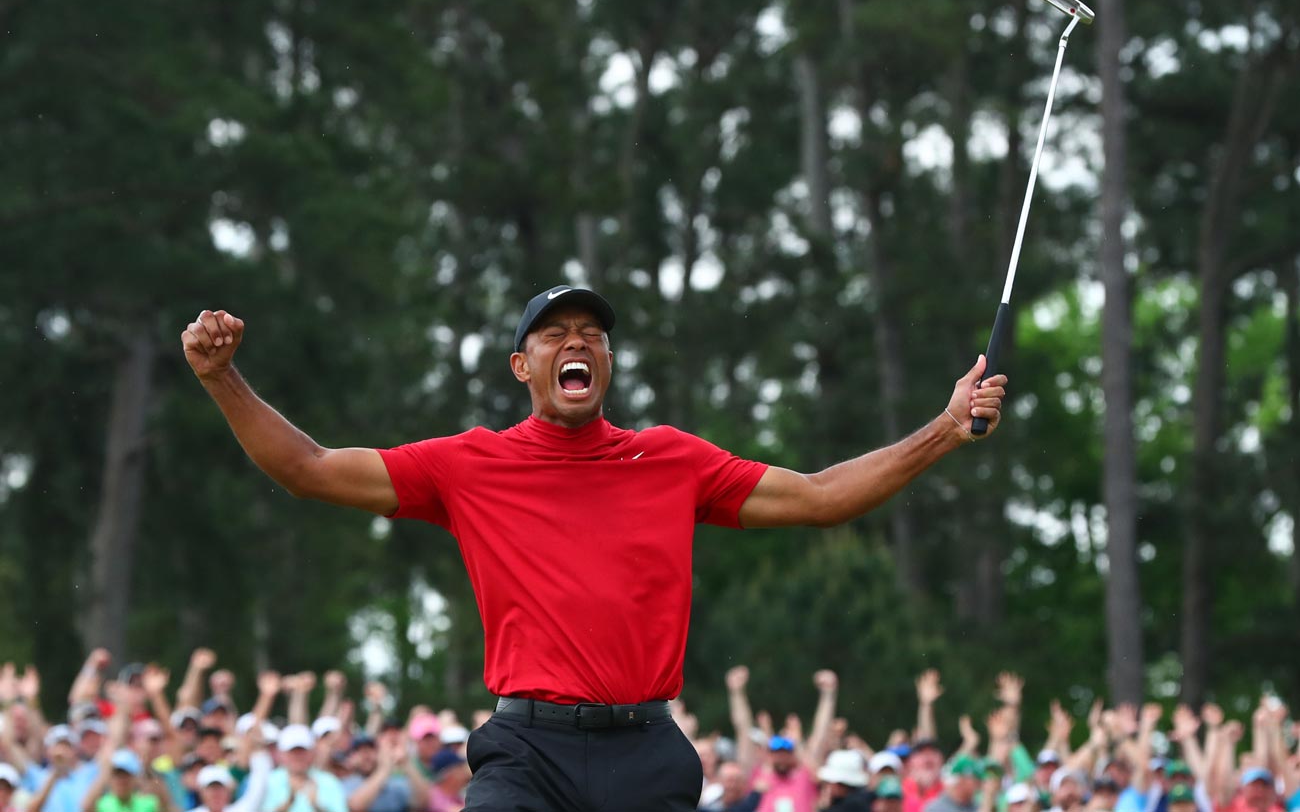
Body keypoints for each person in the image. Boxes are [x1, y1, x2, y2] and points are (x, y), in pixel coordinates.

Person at [180, 286, 1006, 812]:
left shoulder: (674, 460)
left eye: (591, 334)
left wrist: (943, 429)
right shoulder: (469, 465)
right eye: (554, 334)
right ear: (522, 365)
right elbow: (309, 469)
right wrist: (222, 378)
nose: (576, 343)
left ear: (605, 362)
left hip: (648, 753)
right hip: (526, 753)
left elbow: (823, 498)